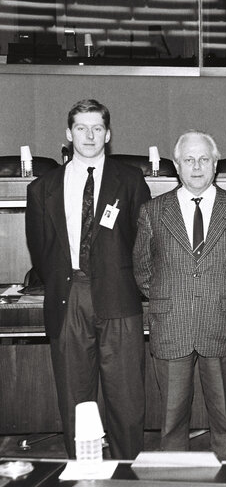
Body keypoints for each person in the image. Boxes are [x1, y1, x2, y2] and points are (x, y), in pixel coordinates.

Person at [25, 99, 150, 459]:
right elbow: (41, 249)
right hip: (69, 299)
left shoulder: (129, 180)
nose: (90, 135)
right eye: (82, 128)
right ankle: (84, 471)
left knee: (126, 398)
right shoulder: (42, 188)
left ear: (108, 134)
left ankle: (128, 472)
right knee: (75, 397)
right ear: (69, 134)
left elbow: (142, 241)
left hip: (120, 299)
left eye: (97, 128)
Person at [133, 131, 226, 459]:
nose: (197, 166)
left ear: (215, 163)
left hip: (220, 323)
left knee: (223, 419)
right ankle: (174, 477)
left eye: (204, 159)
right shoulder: (152, 211)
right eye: (189, 160)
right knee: (172, 419)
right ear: (176, 165)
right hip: (171, 325)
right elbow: (143, 269)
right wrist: (169, 297)